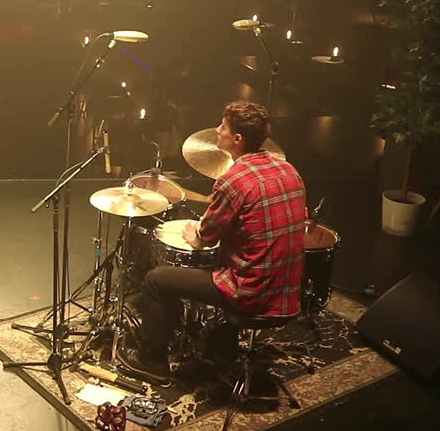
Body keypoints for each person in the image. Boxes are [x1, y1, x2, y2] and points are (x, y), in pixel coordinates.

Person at [120, 101, 306, 378]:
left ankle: (152, 361)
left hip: (250, 295)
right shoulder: (289, 170)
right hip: (288, 293)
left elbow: (205, 239)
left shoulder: (235, 180)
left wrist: (193, 233)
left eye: (223, 126)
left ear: (237, 139)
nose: (217, 130)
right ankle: (222, 341)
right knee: (238, 256)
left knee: (156, 280)